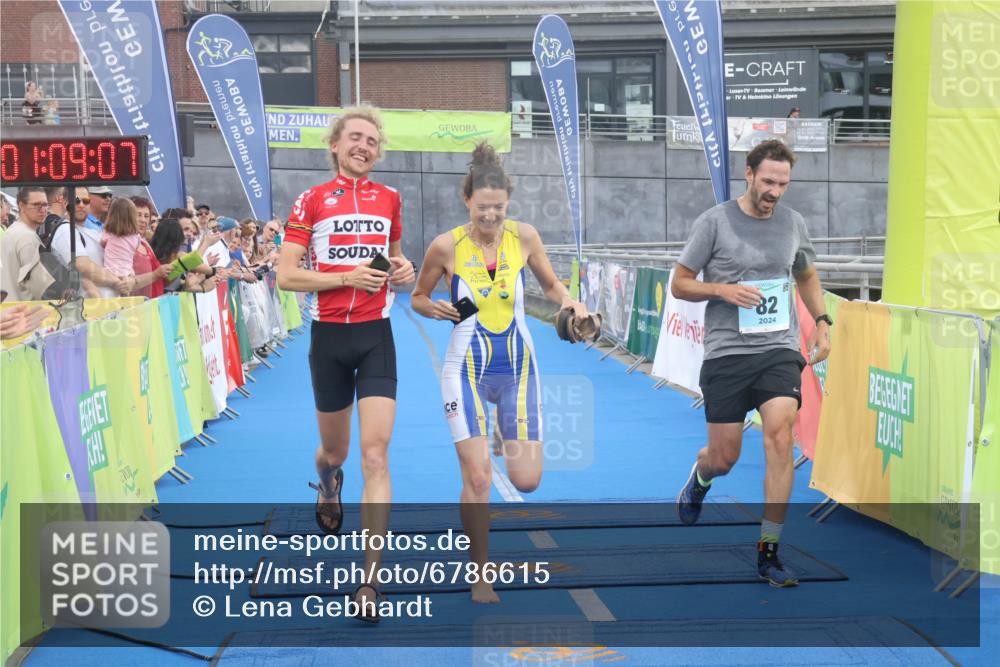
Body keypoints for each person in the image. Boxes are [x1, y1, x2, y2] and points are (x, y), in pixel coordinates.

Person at [410, 142, 590, 604]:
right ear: (466, 200)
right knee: (478, 479)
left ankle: (498, 431)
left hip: (518, 370)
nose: (490, 216)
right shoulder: (446, 245)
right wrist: (435, 308)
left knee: (527, 480)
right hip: (465, 371)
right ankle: (480, 574)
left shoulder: (524, 237)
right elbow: (418, 297)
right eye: (482, 208)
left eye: (499, 208)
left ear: (509, 202)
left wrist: (571, 302)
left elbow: (551, 284)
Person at [276, 105, 415, 621]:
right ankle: (328, 480)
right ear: (335, 145)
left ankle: (369, 582)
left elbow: (396, 259)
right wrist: (345, 278)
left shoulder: (390, 198)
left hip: (376, 335)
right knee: (335, 453)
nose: (364, 146)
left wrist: (403, 270)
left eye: (372, 141)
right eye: (355, 137)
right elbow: (286, 276)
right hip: (329, 337)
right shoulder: (311, 199)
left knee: (375, 456)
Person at [672, 139, 831, 588]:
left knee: (780, 434)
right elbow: (680, 283)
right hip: (727, 351)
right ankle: (701, 476)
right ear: (748, 174)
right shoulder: (715, 222)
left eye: (782, 184)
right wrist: (722, 290)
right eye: (767, 182)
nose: (774, 192)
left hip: (778, 348)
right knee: (724, 457)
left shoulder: (793, 223)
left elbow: (806, 274)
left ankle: (769, 551)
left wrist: (822, 321)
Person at [48, 187, 129, 298]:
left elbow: (122, 259)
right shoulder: (65, 230)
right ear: (65, 204)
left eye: (86, 201)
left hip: (112, 304)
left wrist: (129, 279)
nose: (81, 205)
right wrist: (117, 281)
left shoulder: (96, 233)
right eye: (76, 201)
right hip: (87, 306)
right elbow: (83, 266)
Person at [0, 187, 54, 301]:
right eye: (36, 205)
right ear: (21, 206)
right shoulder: (27, 237)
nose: (43, 210)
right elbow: (42, 287)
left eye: (45, 205)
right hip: (24, 307)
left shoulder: (11, 231)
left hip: (8, 305)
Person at [150, 219, 217, 294]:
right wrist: (206, 243)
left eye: (193, 232)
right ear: (178, 237)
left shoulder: (149, 250)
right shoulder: (178, 256)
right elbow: (205, 268)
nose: (189, 234)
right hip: (162, 297)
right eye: (186, 229)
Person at [101, 198, 143, 285]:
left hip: (110, 272)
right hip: (127, 273)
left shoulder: (108, 233)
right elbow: (134, 250)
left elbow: (102, 244)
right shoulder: (137, 237)